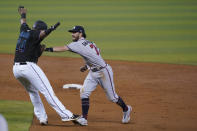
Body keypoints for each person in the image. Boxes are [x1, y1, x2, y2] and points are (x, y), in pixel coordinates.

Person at [45, 25, 132, 126]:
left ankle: (126, 109)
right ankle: (84, 119)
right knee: (84, 93)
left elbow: (62, 48)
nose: (72, 34)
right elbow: (95, 54)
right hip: (93, 72)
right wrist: (87, 66)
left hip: (104, 72)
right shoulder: (90, 42)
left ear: (80, 33)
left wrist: (45, 49)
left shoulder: (77, 44)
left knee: (112, 97)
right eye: (72, 32)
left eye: (74, 32)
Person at [13, 6, 78, 125]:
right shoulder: (35, 34)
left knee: (33, 92)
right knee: (47, 91)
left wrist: (23, 14)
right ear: (39, 30)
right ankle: (66, 115)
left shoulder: (24, 30)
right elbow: (42, 34)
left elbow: (23, 22)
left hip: (16, 69)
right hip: (28, 67)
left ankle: (42, 118)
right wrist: (51, 29)